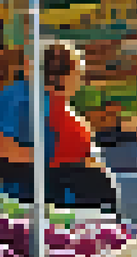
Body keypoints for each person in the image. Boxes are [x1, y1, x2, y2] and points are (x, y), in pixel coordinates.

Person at [41, 43, 120, 211]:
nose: (81, 79)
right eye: (78, 72)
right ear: (61, 77)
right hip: (74, 199)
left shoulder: (57, 105)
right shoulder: (50, 107)